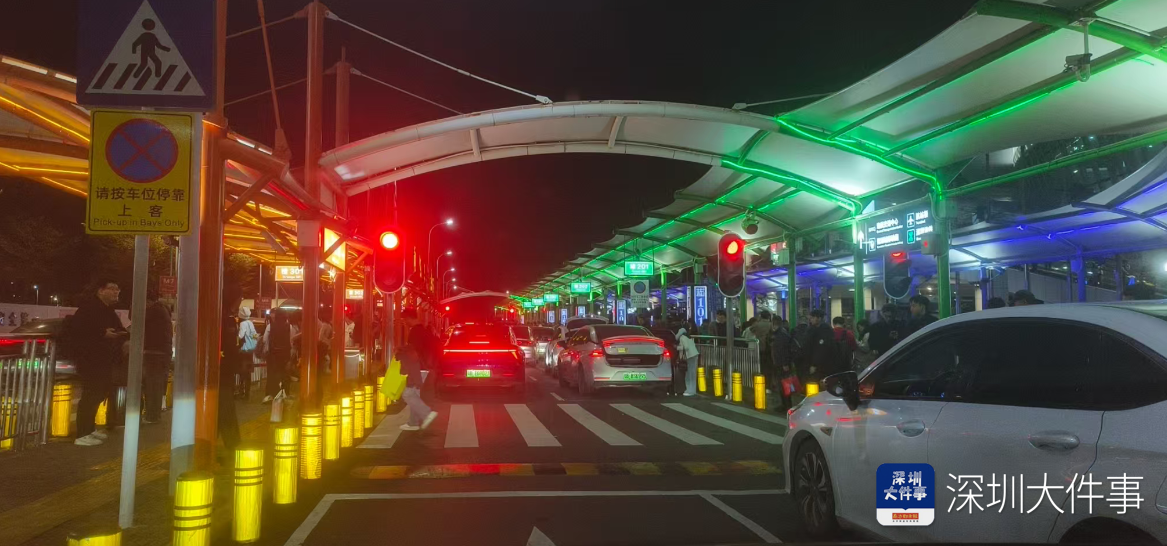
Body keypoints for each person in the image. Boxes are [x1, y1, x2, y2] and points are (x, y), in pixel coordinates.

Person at [71, 279, 128, 446]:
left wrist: (122, 334)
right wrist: (103, 333)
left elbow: (118, 328)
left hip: (103, 358)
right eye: (112, 288)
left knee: (99, 392)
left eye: (118, 289)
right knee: (91, 393)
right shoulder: (89, 307)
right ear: (100, 291)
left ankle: (89, 429)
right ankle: (82, 434)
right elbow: (80, 330)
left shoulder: (107, 309)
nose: (116, 292)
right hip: (90, 359)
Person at [142, 289, 172, 424]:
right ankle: (154, 414)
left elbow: (135, 317)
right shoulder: (162, 309)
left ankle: (151, 415)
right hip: (162, 351)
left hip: (154, 351)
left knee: (152, 384)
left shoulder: (153, 310)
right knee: (157, 383)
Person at [396, 334, 438, 432]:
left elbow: (412, 367)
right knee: (415, 398)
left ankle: (427, 413)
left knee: (407, 395)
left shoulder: (405, 353)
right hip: (423, 371)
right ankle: (413, 423)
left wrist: (416, 381)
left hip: (417, 374)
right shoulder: (411, 350)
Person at [218, 292, 242, 452]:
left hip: (224, 368)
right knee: (225, 406)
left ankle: (230, 441)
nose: (239, 304)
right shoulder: (226, 320)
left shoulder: (228, 318)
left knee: (224, 406)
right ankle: (232, 441)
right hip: (224, 369)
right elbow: (231, 345)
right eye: (238, 299)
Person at [262, 309, 292, 402]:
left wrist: (266, 351)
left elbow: (264, 340)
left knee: (272, 374)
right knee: (285, 375)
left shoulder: (270, 326)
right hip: (285, 354)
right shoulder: (289, 326)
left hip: (273, 354)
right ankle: (285, 393)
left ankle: (271, 394)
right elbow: (291, 341)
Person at [802, 309, 840, 381]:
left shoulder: (825, 330)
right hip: (813, 363)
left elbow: (821, 349)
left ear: (819, 318)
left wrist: (814, 364)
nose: (810, 320)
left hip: (823, 366)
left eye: (812, 318)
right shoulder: (812, 329)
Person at [769, 317, 798, 409]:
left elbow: (783, 350)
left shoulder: (781, 335)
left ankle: (787, 405)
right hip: (781, 363)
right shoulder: (782, 333)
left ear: (774, 324)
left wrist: (785, 364)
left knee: (785, 384)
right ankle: (785, 404)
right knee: (783, 384)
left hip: (782, 364)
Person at [236, 307, 259, 399]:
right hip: (250, 351)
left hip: (243, 351)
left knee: (242, 372)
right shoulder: (250, 323)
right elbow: (255, 335)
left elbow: (240, 336)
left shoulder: (242, 324)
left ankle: (241, 391)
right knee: (248, 373)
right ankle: (247, 393)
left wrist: (236, 335)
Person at [675, 320, 700, 396]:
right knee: (692, 374)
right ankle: (692, 390)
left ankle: (689, 391)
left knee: (689, 374)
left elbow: (685, 347)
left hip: (690, 356)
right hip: (694, 355)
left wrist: (677, 347)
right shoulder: (687, 336)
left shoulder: (682, 337)